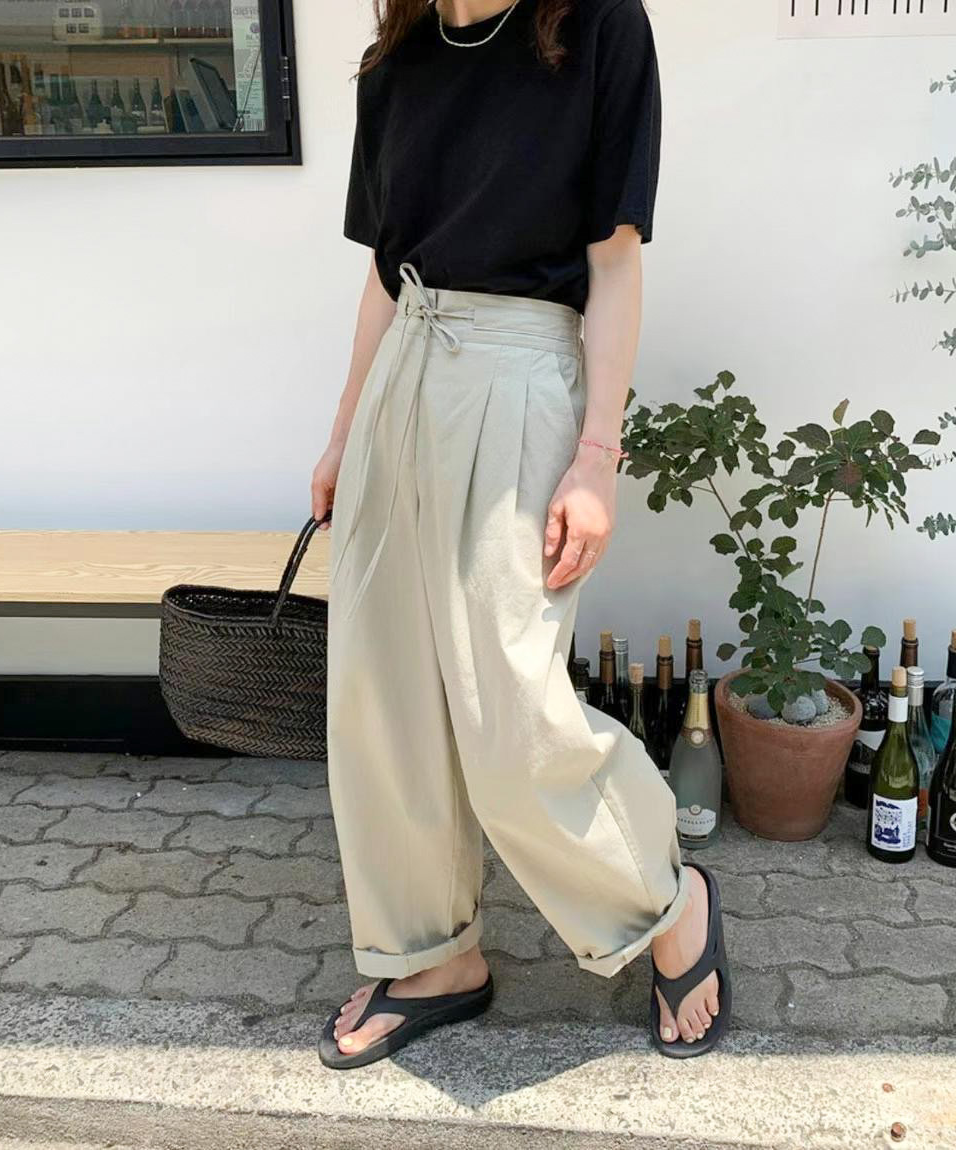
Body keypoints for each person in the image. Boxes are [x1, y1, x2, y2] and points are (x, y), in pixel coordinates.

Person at [310, 0, 731, 1069]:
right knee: (383, 694)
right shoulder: (395, 60)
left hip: (522, 375)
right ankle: (432, 953)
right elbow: (383, 271)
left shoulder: (598, 28)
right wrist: (343, 432)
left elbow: (615, 262)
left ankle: (667, 898)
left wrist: (597, 458)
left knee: (512, 709)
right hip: (406, 368)